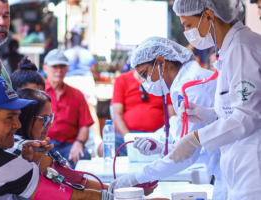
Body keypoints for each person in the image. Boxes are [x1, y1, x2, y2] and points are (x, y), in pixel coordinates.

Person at [108, 36, 228, 199]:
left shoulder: (191, 86)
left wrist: (137, 177)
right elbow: (190, 143)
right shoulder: (181, 85)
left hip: (235, 169)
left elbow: (185, 156)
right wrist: (161, 146)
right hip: (224, 167)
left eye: (145, 74)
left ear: (160, 62)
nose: (145, 83)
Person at [168, 0, 261, 199]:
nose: (187, 32)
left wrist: (195, 139)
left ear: (209, 16)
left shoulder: (242, 47)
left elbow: (248, 117)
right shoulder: (229, 49)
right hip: (241, 168)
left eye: (188, 25)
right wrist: (208, 115)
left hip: (254, 171)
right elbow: (238, 108)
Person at [43, 49, 93, 168]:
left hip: (69, 144)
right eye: (54, 66)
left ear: (67, 68)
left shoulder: (77, 94)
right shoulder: (39, 92)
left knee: (84, 156)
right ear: (45, 69)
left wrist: (79, 143)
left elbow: (84, 126)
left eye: (62, 66)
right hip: (45, 143)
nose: (59, 70)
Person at [111, 69, 174, 156]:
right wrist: (129, 138)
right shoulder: (121, 80)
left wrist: (163, 135)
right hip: (129, 134)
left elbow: (172, 116)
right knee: (104, 148)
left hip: (158, 135)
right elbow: (117, 115)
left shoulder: (163, 80)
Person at [63, 26, 102, 155]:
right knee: (91, 111)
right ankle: (97, 139)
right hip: (86, 81)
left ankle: (75, 138)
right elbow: (92, 66)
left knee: (71, 112)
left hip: (70, 81)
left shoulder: (65, 53)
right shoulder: (87, 54)